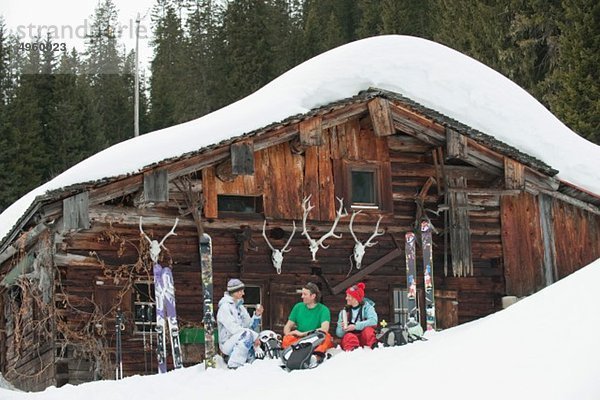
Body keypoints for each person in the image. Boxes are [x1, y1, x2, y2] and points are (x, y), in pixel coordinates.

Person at [216, 278, 263, 369]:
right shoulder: (225, 307)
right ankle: (234, 365)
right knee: (247, 335)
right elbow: (233, 329)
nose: (243, 293)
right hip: (227, 343)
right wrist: (254, 336)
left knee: (250, 335)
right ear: (234, 292)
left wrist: (257, 315)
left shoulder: (240, 307)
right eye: (241, 291)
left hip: (239, 339)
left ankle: (249, 363)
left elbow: (249, 326)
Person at [282, 282, 334, 354]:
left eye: (305, 294)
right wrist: (288, 334)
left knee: (327, 337)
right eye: (302, 294)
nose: (302, 296)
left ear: (313, 296)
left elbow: (324, 329)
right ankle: (297, 352)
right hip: (300, 340)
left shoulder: (324, 309)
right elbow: (287, 326)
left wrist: (303, 334)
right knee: (286, 339)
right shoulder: (298, 307)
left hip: (315, 338)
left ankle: (315, 355)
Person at [335, 282, 378, 351]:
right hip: (351, 339)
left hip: (364, 338)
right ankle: (353, 352)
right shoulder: (344, 312)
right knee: (349, 336)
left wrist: (355, 326)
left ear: (355, 298)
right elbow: (339, 334)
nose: (346, 298)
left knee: (368, 331)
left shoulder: (367, 308)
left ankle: (373, 349)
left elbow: (373, 321)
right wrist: (342, 327)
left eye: (348, 296)